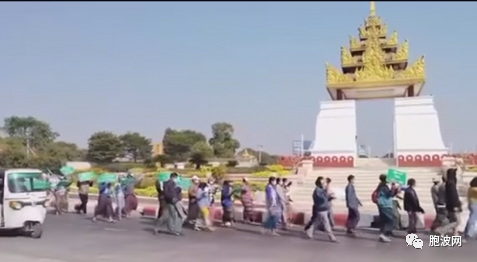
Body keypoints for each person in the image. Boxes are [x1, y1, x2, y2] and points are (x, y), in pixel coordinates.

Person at [305, 176, 337, 242]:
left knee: (316, 222)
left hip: (324, 208)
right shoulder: (317, 191)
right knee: (326, 223)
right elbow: (322, 199)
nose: (324, 184)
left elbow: (325, 198)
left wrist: (330, 197)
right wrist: (326, 191)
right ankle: (332, 237)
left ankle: (309, 232)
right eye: (323, 182)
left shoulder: (321, 190)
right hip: (321, 209)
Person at [435, 168, 462, 236]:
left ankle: (455, 233)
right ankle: (442, 230)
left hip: (450, 204)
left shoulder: (448, 183)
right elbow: (453, 196)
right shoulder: (451, 184)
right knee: (457, 221)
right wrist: (456, 205)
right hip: (453, 204)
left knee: (453, 220)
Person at [375, 174, 399, 242]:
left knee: (383, 220)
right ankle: (384, 234)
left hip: (383, 204)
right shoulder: (383, 186)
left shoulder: (381, 186)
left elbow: (391, 194)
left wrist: (395, 189)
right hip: (385, 205)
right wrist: (393, 187)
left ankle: (382, 234)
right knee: (389, 220)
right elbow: (390, 194)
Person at [464, 177, 477, 241]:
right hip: (475, 204)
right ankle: (469, 233)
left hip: (472, 204)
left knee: (472, 218)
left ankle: (468, 232)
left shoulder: (470, 188)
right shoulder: (474, 189)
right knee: (472, 219)